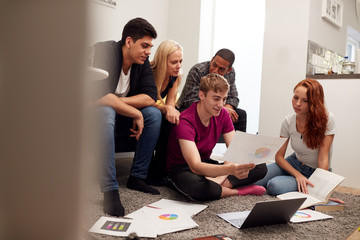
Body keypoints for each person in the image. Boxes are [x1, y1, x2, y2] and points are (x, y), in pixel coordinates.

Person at [92, 17, 161, 217]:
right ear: (129, 41)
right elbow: (98, 96)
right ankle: (109, 189)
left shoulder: (142, 62)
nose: (149, 52)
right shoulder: (103, 51)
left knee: (154, 114)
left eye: (151, 47)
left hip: (119, 114)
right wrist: (134, 111)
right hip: (96, 113)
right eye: (145, 45)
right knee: (106, 110)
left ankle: (138, 177)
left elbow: (150, 97)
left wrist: (118, 102)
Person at [166, 73, 267, 201]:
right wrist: (229, 170)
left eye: (224, 99)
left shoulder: (223, 113)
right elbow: (195, 166)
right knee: (196, 187)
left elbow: (235, 150)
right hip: (182, 169)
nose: (220, 104)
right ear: (201, 95)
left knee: (259, 165)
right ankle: (236, 191)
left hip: (206, 162)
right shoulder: (185, 122)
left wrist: (221, 176)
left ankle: (216, 186)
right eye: (216, 99)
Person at [255, 79, 336, 196]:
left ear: (314, 103)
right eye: (296, 98)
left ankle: (294, 182)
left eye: (305, 101)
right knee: (257, 177)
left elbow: (323, 159)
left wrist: (321, 191)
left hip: (313, 172)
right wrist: (297, 174)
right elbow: (279, 156)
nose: (297, 104)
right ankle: (293, 179)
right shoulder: (288, 121)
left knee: (274, 186)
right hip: (294, 162)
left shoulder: (327, 119)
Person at [177, 48, 247, 133]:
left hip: (216, 106)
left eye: (221, 69)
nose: (215, 71)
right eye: (214, 65)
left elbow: (233, 97)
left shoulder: (231, 73)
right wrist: (222, 110)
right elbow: (191, 100)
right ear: (212, 60)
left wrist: (226, 108)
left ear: (228, 70)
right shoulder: (198, 71)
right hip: (189, 107)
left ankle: (238, 146)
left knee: (240, 115)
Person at [146, 40, 183, 185]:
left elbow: (170, 104)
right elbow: (145, 101)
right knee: (157, 116)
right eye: (174, 62)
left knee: (173, 120)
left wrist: (171, 110)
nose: (178, 66)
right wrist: (166, 109)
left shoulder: (175, 77)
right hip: (144, 108)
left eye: (180, 61)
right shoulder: (148, 71)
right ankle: (148, 171)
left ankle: (162, 170)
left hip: (157, 108)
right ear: (163, 60)